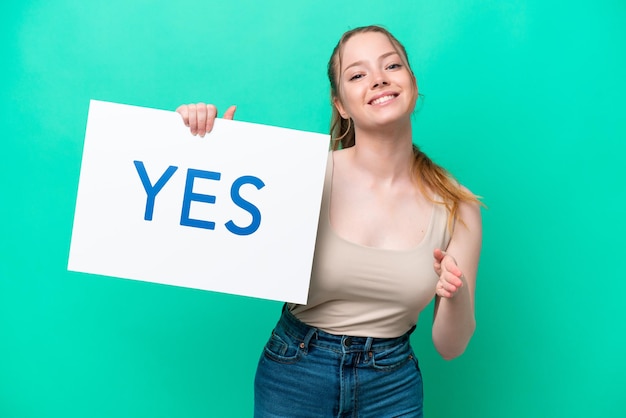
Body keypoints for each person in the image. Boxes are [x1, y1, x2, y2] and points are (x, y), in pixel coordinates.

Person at [177, 25, 482, 418]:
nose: (379, 79)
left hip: (392, 385)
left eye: (392, 65)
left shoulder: (458, 206)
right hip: (295, 373)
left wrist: (455, 295)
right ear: (341, 104)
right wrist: (204, 145)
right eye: (358, 74)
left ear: (411, 81)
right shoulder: (301, 175)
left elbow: (450, 346)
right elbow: (220, 239)